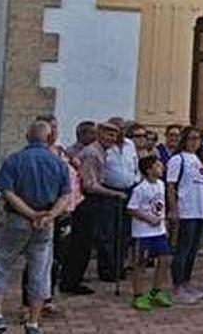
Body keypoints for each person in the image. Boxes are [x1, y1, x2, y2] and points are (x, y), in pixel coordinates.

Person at [0, 121, 70, 334]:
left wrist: (30, 213)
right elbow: (65, 195)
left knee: (0, 265)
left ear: (27, 137)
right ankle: (33, 322)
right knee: (39, 271)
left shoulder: (14, 160)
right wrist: (49, 215)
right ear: (49, 138)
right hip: (45, 222)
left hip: (17, 219)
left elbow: (7, 192)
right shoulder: (58, 163)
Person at [21, 115, 83, 314]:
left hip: (64, 209)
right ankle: (29, 300)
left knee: (55, 257)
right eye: (50, 129)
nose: (53, 133)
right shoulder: (36, 154)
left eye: (55, 128)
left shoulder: (60, 152)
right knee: (37, 258)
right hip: (45, 211)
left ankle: (47, 296)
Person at [60, 122, 124, 295]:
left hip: (93, 199)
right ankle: (70, 281)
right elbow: (89, 185)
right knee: (81, 242)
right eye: (108, 134)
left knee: (85, 241)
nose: (112, 138)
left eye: (114, 135)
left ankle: (72, 278)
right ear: (99, 134)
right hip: (87, 201)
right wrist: (114, 193)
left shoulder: (102, 152)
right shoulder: (92, 153)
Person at [166, 126, 203, 303]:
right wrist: (173, 208)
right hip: (186, 209)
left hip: (200, 210)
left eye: (198, 138)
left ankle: (186, 281)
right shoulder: (178, 159)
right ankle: (177, 285)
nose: (195, 142)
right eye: (191, 138)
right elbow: (171, 185)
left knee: (193, 250)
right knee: (183, 249)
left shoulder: (202, 161)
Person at [127, 155, 173, 311]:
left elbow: (161, 205)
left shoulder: (161, 184)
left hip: (159, 232)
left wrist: (163, 221)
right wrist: (148, 218)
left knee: (164, 259)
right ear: (149, 170)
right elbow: (132, 208)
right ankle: (138, 294)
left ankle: (157, 291)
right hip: (143, 233)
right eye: (158, 165)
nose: (162, 168)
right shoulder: (140, 188)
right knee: (141, 264)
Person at [97, 117, 138, 283]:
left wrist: (135, 180)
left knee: (125, 232)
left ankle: (119, 266)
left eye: (122, 128)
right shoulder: (104, 147)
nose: (120, 132)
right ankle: (107, 268)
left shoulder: (130, 145)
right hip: (108, 190)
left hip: (128, 190)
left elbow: (134, 165)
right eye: (116, 129)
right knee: (108, 232)